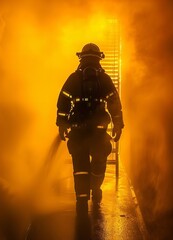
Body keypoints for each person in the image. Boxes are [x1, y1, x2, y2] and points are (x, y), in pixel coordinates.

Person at [56, 43, 124, 216]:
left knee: (80, 167)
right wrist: (118, 125)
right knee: (99, 162)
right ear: (99, 58)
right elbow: (115, 104)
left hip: (78, 132)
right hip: (99, 132)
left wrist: (62, 125)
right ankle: (95, 189)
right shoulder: (105, 79)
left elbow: (63, 102)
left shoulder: (73, 78)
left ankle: (81, 200)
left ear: (81, 57)